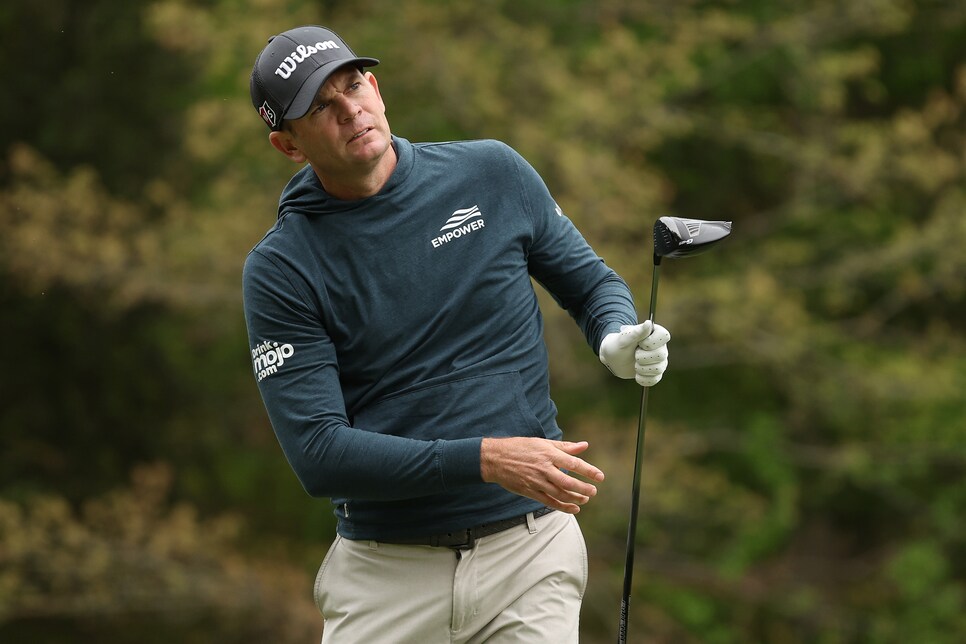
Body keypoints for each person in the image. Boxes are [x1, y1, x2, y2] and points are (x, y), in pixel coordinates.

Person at [243, 25, 671, 643]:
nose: (350, 111)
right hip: (387, 572)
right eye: (320, 107)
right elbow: (320, 456)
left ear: (377, 86)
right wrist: (485, 458)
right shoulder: (283, 268)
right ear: (288, 145)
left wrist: (614, 336)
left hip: (530, 552)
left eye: (354, 86)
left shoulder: (492, 173)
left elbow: (589, 283)